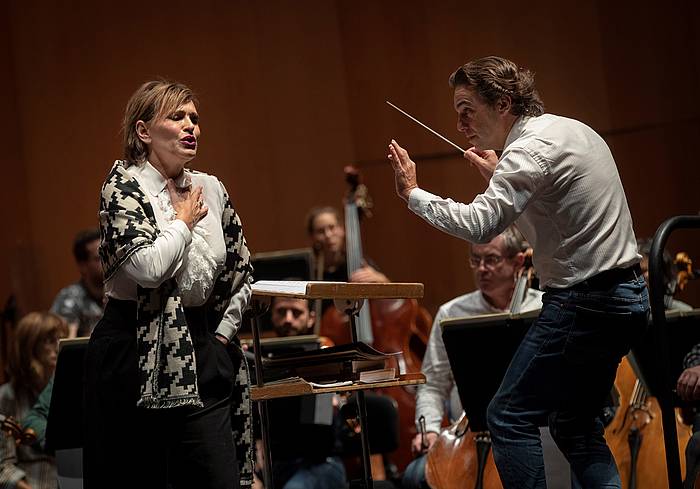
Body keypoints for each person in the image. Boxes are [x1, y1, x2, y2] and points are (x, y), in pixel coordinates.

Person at [387, 55, 649, 488]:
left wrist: (413, 194)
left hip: (585, 302)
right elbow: (558, 222)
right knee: (575, 425)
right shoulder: (569, 129)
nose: (460, 125)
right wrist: (499, 177)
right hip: (624, 297)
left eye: (468, 111)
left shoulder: (527, 150)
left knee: (508, 416)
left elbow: (480, 225)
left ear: (504, 102)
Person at [84, 80, 254, 489]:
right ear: (143, 131)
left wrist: (224, 336)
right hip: (131, 352)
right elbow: (147, 269)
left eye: (194, 118)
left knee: (217, 479)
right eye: (177, 117)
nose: (190, 125)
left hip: (201, 346)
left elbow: (242, 272)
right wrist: (181, 222)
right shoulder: (123, 186)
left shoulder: (211, 188)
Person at [402, 227, 544, 489]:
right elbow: (433, 383)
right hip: (467, 434)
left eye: (491, 259)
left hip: (533, 431)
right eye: (475, 260)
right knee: (415, 475)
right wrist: (431, 430)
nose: (481, 269)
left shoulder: (543, 308)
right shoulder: (452, 313)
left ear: (518, 262)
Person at [254, 296, 346, 489]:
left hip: (321, 463)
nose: (288, 319)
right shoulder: (259, 358)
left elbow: (320, 426)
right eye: (281, 312)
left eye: (296, 313)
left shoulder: (323, 355)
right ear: (271, 315)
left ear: (311, 318)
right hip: (276, 464)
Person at [0, 311, 67, 489]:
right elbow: (4, 467)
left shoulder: (66, 388)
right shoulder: (7, 396)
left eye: (61, 339)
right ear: (29, 347)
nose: (57, 346)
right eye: (49, 340)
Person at [306, 206, 388, 284]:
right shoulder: (306, 266)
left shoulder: (361, 262)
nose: (328, 235)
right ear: (312, 236)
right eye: (320, 231)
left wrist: (380, 279)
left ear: (342, 229)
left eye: (332, 227)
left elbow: (394, 298)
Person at [50, 228, 105, 337]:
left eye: (108, 255)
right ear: (82, 266)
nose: (107, 261)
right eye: (99, 258)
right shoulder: (69, 299)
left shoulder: (122, 292)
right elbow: (66, 345)